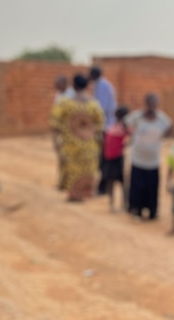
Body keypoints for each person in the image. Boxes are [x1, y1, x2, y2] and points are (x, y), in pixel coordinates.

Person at [50, 73, 105, 202]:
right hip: (90, 145)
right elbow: (100, 126)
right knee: (87, 168)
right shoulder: (94, 104)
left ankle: (74, 194)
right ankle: (85, 192)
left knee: (72, 169)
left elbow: (54, 124)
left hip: (71, 146)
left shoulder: (65, 104)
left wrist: (57, 142)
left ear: (73, 85)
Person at [126, 93, 173, 220]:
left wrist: (162, 136)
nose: (152, 106)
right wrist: (132, 134)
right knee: (138, 186)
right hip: (138, 158)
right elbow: (126, 123)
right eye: (150, 103)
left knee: (151, 187)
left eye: (154, 104)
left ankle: (152, 211)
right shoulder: (137, 116)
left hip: (153, 161)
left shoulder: (161, 118)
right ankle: (137, 210)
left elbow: (170, 126)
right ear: (146, 104)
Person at [89, 66, 116, 194]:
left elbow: (102, 108)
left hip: (106, 127)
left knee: (104, 158)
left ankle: (104, 187)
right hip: (104, 126)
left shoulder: (102, 86)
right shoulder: (99, 85)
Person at [103, 106, 130, 212]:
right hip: (116, 158)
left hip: (112, 157)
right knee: (121, 182)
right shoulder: (120, 128)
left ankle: (114, 204)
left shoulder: (111, 128)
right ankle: (122, 204)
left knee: (113, 182)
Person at [52, 75, 74, 190]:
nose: (55, 86)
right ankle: (62, 182)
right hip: (60, 130)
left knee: (69, 157)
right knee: (61, 157)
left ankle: (69, 182)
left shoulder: (72, 95)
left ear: (64, 84)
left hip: (70, 131)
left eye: (58, 84)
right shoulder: (58, 94)